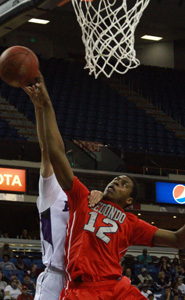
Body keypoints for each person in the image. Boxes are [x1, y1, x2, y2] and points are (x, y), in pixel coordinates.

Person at [26, 72, 185, 300]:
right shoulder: (77, 196)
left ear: (130, 200)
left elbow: (178, 239)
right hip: (68, 279)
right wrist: (44, 105)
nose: (115, 183)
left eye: (122, 183)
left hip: (114, 286)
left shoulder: (128, 221)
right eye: (115, 180)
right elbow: (51, 153)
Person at [23, 82, 100, 300]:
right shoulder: (50, 189)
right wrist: (40, 108)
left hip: (82, 281)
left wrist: (100, 196)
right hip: (55, 278)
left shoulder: (82, 194)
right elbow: (46, 149)